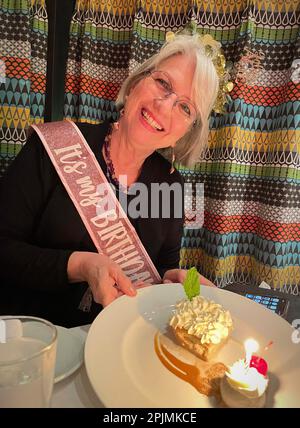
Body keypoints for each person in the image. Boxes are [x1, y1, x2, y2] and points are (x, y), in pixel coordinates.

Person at [0, 33, 219, 327]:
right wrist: (79, 265)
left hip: (117, 346)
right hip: (33, 338)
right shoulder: (54, 146)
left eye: (185, 108)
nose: (165, 106)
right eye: (163, 83)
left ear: (185, 132)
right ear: (135, 84)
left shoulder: (171, 187)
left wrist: (170, 282)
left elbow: (161, 269)